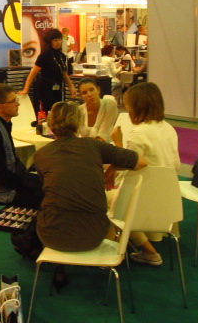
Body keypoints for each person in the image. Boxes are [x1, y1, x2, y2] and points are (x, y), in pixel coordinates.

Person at [34, 101, 147, 289]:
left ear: (51, 124)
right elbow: (141, 162)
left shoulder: (41, 154)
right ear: (79, 123)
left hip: (50, 235)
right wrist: (113, 167)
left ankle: (56, 266)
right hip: (94, 235)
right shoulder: (94, 146)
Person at [111, 82, 180, 266]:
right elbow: (175, 165)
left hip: (143, 198)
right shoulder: (169, 129)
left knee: (104, 199)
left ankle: (140, 250)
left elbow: (128, 166)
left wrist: (117, 144)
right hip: (169, 196)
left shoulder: (139, 134)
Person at [19, 29, 77, 112]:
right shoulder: (44, 56)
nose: (58, 42)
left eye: (59, 39)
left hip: (59, 87)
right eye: (55, 40)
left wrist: (71, 87)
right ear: (50, 41)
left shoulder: (62, 56)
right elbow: (33, 73)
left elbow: (64, 73)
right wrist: (26, 89)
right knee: (48, 111)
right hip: (46, 88)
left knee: (59, 110)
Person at [77, 77, 119, 142]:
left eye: (91, 90)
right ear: (81, 97)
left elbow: (102, 136)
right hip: (85, 146)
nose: (89, 94)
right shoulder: (79, 111)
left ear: (98, 90)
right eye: (84, 93)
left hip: (106, 146)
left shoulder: (110, 105)